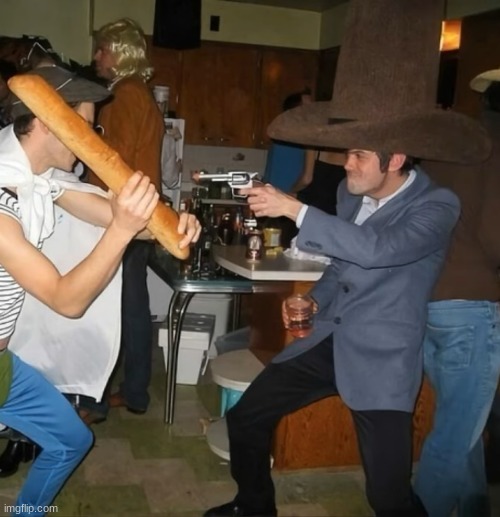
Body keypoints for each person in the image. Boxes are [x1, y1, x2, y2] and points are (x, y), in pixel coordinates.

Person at [203, 1, 491, 516]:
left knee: (388, 495)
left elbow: (379, 252)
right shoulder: (349, 195)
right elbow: (340, 267)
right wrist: (313, 301)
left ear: (395, 159)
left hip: (382, 361)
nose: (346, 164)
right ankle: (253, 505)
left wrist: (294, 208)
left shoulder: (437, 206)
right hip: (329, 342)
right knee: (247, 417)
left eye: (358, 155)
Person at [0, 64, 200, 514]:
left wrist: (170, 227)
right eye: (87, 127)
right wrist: (123, 230)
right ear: (48, 124)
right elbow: (67, 299)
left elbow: (111, 215)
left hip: (3, 363)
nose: (92, 138)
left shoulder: (41, 179)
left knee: (72, 440)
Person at [413, 70, 500, 517]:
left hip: (429, 301)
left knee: (461, 422)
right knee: (456, 434)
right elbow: (494, 235)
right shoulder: (495, 150)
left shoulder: (446, 147)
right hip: (472, 305)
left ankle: (472, 508)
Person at [88, 18, 166, 416]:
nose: (95, 57)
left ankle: (101, 398)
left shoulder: (122, 95)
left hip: (122, 216)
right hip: (140, 214)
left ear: (118, 54)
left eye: (102, 49)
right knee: (133, 307)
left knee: (114, 311)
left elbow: (109, 164)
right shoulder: (141, 93)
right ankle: (133, 392)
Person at [263, 89, 312, 192]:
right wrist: (290, 193)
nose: (313, 111)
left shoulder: (279, 135)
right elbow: (306, 179)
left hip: (273, 194)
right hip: (281, 196)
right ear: (294, 113)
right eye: (308, 108)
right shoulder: (304, 139)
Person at [292, 148, 346, 215]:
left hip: (311, 205)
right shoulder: (353, 151)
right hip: (335, 210)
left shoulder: (314, 146)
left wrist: (292, 190)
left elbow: (306, 179)